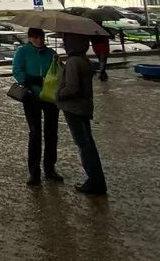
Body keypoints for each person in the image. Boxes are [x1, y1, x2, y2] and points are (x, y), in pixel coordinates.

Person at [55, 33, 107, 196]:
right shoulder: (84, 60)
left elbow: (72, 87)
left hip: (73, 108)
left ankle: (94, 181)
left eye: (66, 41)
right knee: (88, 142)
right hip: (84, 107)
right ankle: (97, 180)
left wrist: (58, 95)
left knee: (84, 144)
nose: (64, 43)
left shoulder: (73, 62)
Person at [11, 27, 63, 186]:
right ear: (30, 38)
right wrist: (30, 79)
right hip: (31, 96)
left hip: (49, 97)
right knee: (35, 133)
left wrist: (59, 64)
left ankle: (50, 167)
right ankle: (34, 172)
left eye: (40, 37)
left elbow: (58, 72)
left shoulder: (50, 53)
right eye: (35, 37)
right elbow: (17, 71)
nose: (39, 40)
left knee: (51, 132)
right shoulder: (22, 51)